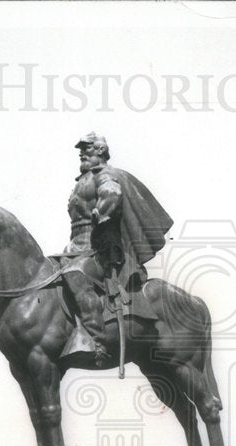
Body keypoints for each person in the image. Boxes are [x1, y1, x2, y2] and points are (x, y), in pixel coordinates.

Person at [59, 132, 174, 366]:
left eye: (87, 148)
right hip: (76, 247)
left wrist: (101, 212)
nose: (82, 153)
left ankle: (95, 341)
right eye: (81, 149)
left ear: (100, 150)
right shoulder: (81, 181)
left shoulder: (104, 174)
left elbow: (113, 193)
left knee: (75, 275)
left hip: (99, 248)